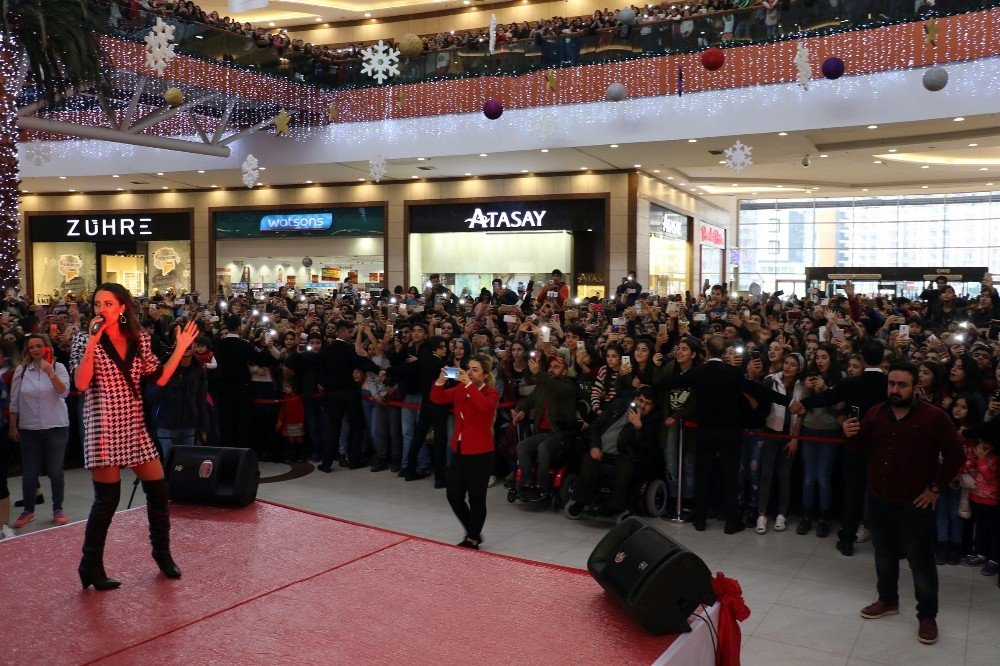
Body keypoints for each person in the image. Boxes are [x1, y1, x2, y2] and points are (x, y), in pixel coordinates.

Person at [72, 283, 199, 591]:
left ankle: (162, 552)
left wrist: (180, 348)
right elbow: (80, 383)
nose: (101, 308)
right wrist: (91, 342)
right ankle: (90, 564)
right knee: (108, 500)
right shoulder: (83, 339)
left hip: (133, 422)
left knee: (158, 488)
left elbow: (160, 377)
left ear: (122, 307)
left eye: (107, 303)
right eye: (97, 303)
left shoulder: (139, 338)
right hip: (102, 424)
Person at [842, 361, 965, 645]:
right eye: (891, 384)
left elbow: (956, 456)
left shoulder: (935, 417)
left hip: (914, 504)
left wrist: (934, 488)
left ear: (915, 387)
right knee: (883, 553)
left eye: (902, 385)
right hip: (879, 498)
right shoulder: (876, 413)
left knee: (920, 562)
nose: (895, 390)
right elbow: (856, 446)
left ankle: (927, 616)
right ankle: (888, 600)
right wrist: (849, 434)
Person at [790, 338, 889, 556]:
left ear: (862, 359)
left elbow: (827, 397)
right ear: (882, 359)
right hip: (883, 447)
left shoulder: (852, 383)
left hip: (855, 443)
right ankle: (884, 541)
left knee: (852, 494)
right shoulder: (889, 384)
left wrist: (803, 403)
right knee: (880, 495)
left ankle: (846, 539)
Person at [430, 354, 499, 549]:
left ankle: (472, 538)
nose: (469, 372)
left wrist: (468, 385)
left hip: (481, 453)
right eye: (468, 368)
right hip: (460, 450)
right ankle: (473, 530)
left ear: (485, 375)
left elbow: (484, 407)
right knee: (453, 494)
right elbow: (437, 398)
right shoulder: (460, 388)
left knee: (477, 498)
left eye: (475, 370)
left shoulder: (490, 393)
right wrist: (440, 382)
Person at [567, 387, 661, 519]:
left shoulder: (653, 419)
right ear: (635, 398)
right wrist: (594, 446)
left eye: (647, 403)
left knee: (624, 467)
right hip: (602, 450)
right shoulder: (620, 404)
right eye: (641, 400)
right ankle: (581, 501)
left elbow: (645, 446)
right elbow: (596, 425)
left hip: (626, 454)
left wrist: (638, 427)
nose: (642, 405)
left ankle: (615, 507)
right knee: (589, 459)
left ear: (652, 406)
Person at [9, 334, 71, 529]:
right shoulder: (21, 370)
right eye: (32, 347)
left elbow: (64, 392)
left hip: (56, 426)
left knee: (55, 471)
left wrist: (50, 372)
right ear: (27, 350)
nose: (36, 350)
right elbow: (14, 400)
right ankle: (29, 510)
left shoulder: (58, 367)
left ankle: (58, 508)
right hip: (29, 428)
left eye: (39, 346)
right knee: (29, 473)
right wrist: (13, 425)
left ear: (46, 347)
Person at [514, 351, 578, 502]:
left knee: (544, 447)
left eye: (556, 367)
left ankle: (542, 487)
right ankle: (527, 483)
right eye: (550, 366)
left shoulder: (568, 385)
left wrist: (538, 374)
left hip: (560, 433)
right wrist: (522, 410)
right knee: (521, 446)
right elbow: (529, 400)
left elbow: (555, 389)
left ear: (564, 371)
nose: (551, 369)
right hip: (543, 432)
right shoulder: (543, 386)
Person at [149, 340, 209, 462]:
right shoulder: (163, 366)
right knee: (168, 465)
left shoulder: (198, 369)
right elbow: (150, 396)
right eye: (183, 343)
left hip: (189, 423)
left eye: (190, 343)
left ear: (195, 347)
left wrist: (204, 427)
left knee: (187, 465)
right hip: (165, 423)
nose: (186, 346)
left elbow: (201, 400)